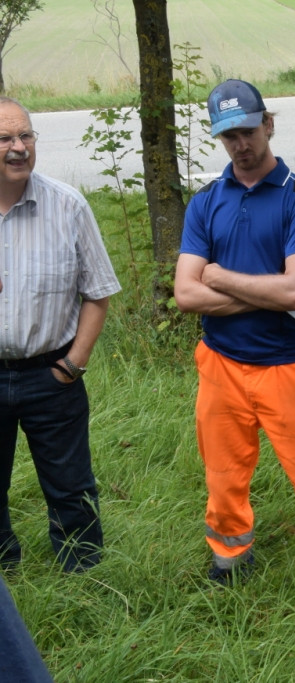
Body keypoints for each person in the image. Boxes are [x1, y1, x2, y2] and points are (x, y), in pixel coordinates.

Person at [174, 79, 295, 596]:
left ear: (268, 123)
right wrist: (277, 292)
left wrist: (218, 276)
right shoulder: (205, 201)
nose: (240, 144)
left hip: (288, 365)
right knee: (223, 473)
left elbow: (294, 289)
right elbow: (187, 296)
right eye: (228, 135)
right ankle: (229, 559)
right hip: (219, 363)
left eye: (247, 130)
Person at [0, 96, 120, 573]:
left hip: (51, 375)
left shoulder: (67, 205)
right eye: (5, 138)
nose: (18, 148)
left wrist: (73, 365)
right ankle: (3, 570)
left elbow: (98, 293)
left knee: (70, 484)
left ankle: (83, 571)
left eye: (25, 136)